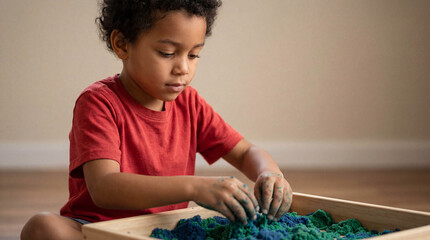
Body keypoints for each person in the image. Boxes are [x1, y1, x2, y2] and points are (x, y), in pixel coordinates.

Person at [21, 0, 292, 239]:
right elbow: (104, 187)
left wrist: (270, 174)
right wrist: (196, 187)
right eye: (167, 53)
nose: (183, 68)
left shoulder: (190, 104)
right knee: (42, 227)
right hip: (98, 229)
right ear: (122, 44)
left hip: (164, 230)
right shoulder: (98, 102)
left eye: (194, 54)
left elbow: (245, 152)